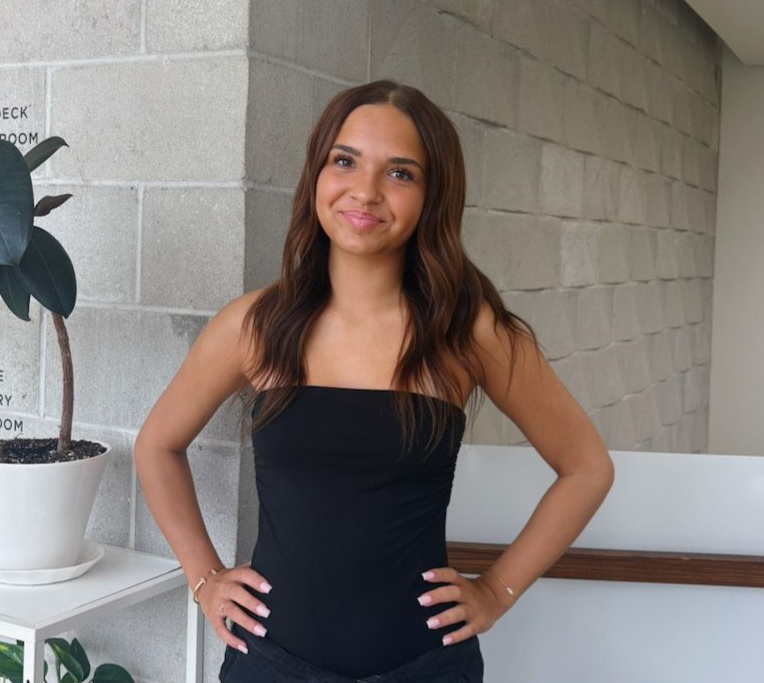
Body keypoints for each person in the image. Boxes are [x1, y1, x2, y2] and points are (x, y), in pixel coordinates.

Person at [134, 79, 615, 683]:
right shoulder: (255, 325)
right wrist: (205, 577)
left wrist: (497, 590)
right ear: (316, 173)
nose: (365, 190)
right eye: (345, 161)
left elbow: (587, 468)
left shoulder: (467, 331)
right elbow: (157, 446)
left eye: (400, 173)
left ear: (432, 195)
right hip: (272, 666)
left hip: (425, 667)